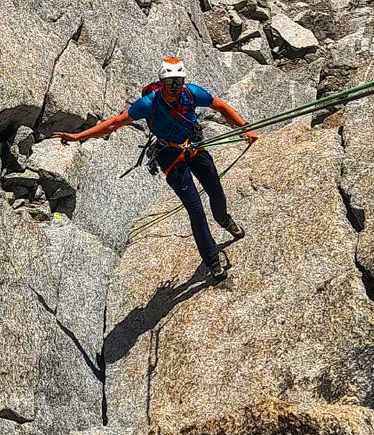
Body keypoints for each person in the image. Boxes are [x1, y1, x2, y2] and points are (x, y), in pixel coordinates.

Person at [59, 57, 257, 281]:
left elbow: (219, 105)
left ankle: (223, 219)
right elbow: (114, 123)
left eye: (178, 81)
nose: (174, 87)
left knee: (216, 190)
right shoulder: (149, 104)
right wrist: (78, 136)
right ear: (161, 82)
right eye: (170, 82)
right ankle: (212, 260)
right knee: (196, 209)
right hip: (169, 154)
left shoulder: (191, 93)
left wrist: (245, 128)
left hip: (194, 144)